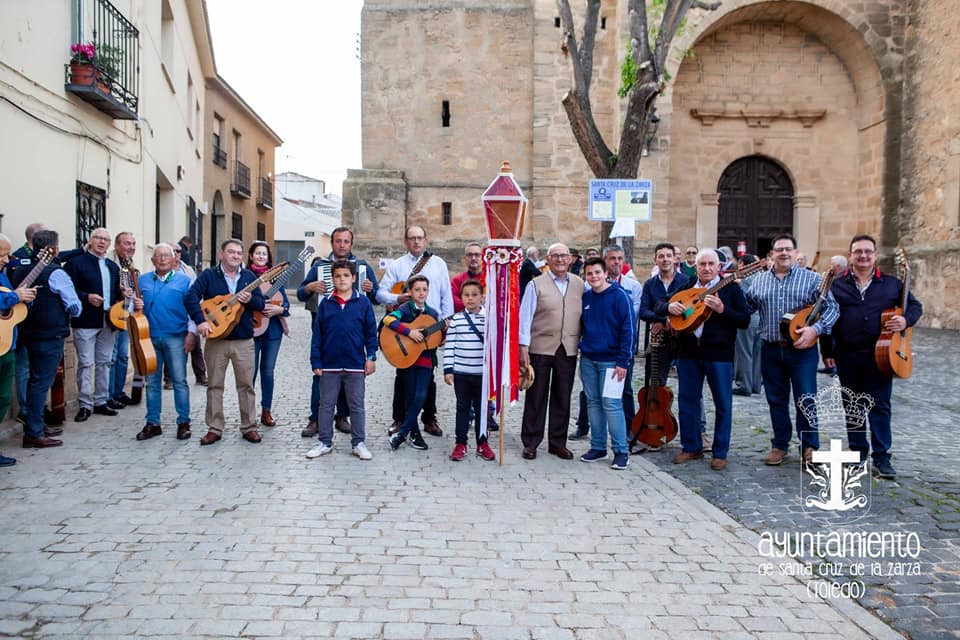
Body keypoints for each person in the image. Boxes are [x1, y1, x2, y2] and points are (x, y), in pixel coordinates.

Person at [827, 235, 922, 479]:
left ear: (875, 255)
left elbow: (914, 307)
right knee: (853, 407)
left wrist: (905, 320)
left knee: (880, 406)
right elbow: (827, 319)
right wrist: (827, 352)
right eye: (858, 252)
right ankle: (857, 454)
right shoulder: (837, 285)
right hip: (847, 355)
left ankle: (881, 457)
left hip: (881, 355)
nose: (863, 256)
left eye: (868, 252)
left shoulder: (892, 285)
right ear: (850, 255)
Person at [745, 233, 838, 466]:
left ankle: (809, 447)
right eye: (779, 249)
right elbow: (746, 306)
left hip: (802, 351)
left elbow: (832, 309)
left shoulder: (813, 279)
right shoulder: (759, 281)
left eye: (788, 249)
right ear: (772, 254)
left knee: (806, 399)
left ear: (796, 253)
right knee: (776, 400)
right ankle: (779, 445)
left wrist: (815, 330)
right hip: (771, 348)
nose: (784, 253)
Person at [663, 249, 750, 470]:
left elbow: (744, 320)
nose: (707, 268)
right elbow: (663, 305)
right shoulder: (686, 286)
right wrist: (668, 308)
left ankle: (720, 452)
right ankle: (691, 446)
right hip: (688, 353)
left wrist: (722, 309)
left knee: (722, 403)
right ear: (696, 266)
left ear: (719, 266)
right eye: (703, 264)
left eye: (711, 263)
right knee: (687, 400)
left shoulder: (730, 289)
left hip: (719, 354)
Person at [298, 227, 380, 438]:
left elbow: (376, 298)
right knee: (321, 376)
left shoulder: (362, 267)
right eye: (338, 241)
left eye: (346, 241)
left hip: (353, 330)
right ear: (332, 243)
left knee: (349, 375)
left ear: (351, 244)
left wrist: (371, 289)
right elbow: (300, 293)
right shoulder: (319, 266)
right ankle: (315, 419)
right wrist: (310, 287)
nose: (342, 245)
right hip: (325, 329)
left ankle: (342, 416)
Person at [185, 239, 266, 445]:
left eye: (239, 253)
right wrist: (201, 321)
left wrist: (250, 301)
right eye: (231, 252)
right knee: (214, 385)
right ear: (222, 254)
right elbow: (191, 297)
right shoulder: (209, 276)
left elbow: (260, 303)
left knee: (246, 385)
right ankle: (215, 427)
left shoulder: (249, 277)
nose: (236, 256)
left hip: (243, 341)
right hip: (216, 340)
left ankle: (249, 427)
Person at [378, 226, 452, 437]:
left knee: (429, 376)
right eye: (412, 238)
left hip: (431, 327)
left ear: (426, 240)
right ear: (406, 242)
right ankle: (400, 420)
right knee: (403, 376)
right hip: (406, 327)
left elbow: (446, 294)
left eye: (420, 238)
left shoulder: (439, 264)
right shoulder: (398, 265)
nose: (417, 242)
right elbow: (381, 293)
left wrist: (447, 323)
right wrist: (397, 299)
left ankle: (429, 418)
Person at [12, 230, 81, 448]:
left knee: (33, 380)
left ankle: (36, 425)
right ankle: (34, 432)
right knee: (41, 383)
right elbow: (74, 306)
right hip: (50, 334)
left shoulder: (17, 270)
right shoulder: (56, 273)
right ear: (55, 249)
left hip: (26, 333)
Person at [307, 259, 378, 460]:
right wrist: (316, 361)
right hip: (330, 365)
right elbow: (317, 335)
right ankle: (324, 442)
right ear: (333, 278)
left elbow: (371, 333)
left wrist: (371, 357)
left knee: (356, 405)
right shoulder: (326, 303)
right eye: (337, 276)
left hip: (355, 364)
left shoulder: (363, 303)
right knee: (326, 404)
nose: (342, 279)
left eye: (346, 275)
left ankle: (358, 442)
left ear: (354, 278)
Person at [518, 242, 583, 460]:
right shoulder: (536, 284)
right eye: (555, 256)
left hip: (568, 347)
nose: (560, 259)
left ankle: (557, 442)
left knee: (562, 396)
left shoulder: (580, 284)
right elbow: (525, 317)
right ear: (548, 259)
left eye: (564, 255)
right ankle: (531, 442)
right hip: (541, 346)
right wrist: (523, 347)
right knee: (536, 396)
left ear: (570, 258)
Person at [133, 243, 194, 441]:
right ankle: (153, 423)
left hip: (176, 336)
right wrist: (133, 304)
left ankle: (183, 422)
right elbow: (130, 309)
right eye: (158, 256)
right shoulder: (141, 281)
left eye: (166, 256)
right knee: (151, 382)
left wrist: (191, 334)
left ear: (174, 259)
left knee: (179, 381)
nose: (162, 259)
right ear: (152, 260)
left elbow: (194, 309)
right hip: (148, 338)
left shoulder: (185, 281)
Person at [577, 258, 633, 470]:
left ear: (604, 273)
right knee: (593, 403)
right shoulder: (587, 297)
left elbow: (628, 330)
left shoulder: (619, 296)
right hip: (589, 359)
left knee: (611, 404)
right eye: (589, 273)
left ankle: (621, 450)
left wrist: (623, 361)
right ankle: (598, 446)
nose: (594, 277)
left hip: (612, 361)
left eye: (597, 272)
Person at [64, 228, 123, 421]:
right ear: (90, 241)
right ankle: (85, 404)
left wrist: (125, 296)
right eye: (98, 238)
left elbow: (117, 293)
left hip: (109, 320)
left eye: (106, 240)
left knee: (105, 362)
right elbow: (67, 289)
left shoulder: (113, 267)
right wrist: (86, 297)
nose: (102, 242)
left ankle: (100, 401)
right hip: (86, 319)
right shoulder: (75, 263)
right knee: (86, 363)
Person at [386, 275, 441, 452]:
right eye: (417, 289)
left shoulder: (432, 313)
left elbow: (438, 339)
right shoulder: (404, 309)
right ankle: (414, 434)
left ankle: (401, 434)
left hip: (425, 360)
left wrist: (444, 333)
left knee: (420, 396)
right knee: (410, 398)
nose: (421, 293)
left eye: (424, 289)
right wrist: (409, 332)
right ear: (410, 291)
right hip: (407, 359)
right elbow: (388, 320)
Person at [443, 279, 496, 462]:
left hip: (482, 374)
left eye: (474, 295)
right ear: (461, 297)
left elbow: (495, 344)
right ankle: (461, 442)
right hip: (462, 372)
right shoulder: (456, 319)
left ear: (482, 297)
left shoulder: (489, 318)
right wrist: (448, 369)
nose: (471, 298)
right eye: (466, 295)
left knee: (483, 410)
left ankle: (483, 443)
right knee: (462, 408)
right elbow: (450, 346)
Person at [0, 233, 38, 464]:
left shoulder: (3, 277)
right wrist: (14, 296)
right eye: (2, 255)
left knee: (3, 398)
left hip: (7, 346)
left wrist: (25, 298)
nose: (6, 260)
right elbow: (7, 299)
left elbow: (12, 302)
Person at [248, 241, 290, 428]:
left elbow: (286, 304)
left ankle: (267, 411)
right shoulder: (245, 277)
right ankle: (248, 413)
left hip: (273, 332)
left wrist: (278, 309)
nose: (261, 256)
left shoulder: (275, 279)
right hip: (252, 330)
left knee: (268, 372)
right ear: (251, 256)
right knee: (250, 373)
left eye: (264, 254)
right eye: (257, 253)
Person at [10, 222, 46, 425]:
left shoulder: (45, 258)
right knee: (23, 366)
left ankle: (38, 408)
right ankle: (25, 409)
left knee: (38, 368)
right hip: (20, 323)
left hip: (39, 322)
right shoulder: (16, 258)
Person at [171, 244, 207, 385]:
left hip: (189, 311)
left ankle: (201, 375)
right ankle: (171, 378)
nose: (176, 254)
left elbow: (195, 290)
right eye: (173, 251)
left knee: (196, 345)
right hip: (174, 312)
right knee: (175, 346)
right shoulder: (162, 270)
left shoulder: (188, 269)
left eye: (178, 251)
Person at [108, 231, 137, 408]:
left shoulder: (130, 265)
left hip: (127, 315)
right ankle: (109, 395)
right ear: (117, 245)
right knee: (111, 357)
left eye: (133, 244)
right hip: (112, 316)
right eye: (127, 244)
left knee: (123, 357)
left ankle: (118, 392)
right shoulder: (110, 264)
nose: (131, 247)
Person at [733, 253, 763, 396]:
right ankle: (756, 384)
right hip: (761, 319)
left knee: (744, 351)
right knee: (757, 352)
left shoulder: (744, 279)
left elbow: (744, 300)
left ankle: (744, 384)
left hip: (748, 318)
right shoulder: (762, 277)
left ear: (742, 264)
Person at [817, 255, 848, 376]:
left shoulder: (840, 280)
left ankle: (835, 367)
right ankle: (831, 366)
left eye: (831, 264)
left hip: (839, 318)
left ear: (838, 267)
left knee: (835, 343)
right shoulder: (833, 278)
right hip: (833, 317)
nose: (830, 266)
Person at [451, 243, 484, 312]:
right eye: (470, 255)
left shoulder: (490, 279)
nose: (473, 258)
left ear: (483, 257)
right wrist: (475, 306)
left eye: (477, 255)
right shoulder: (456, 280)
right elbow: (454, 302)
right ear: (465, 258)